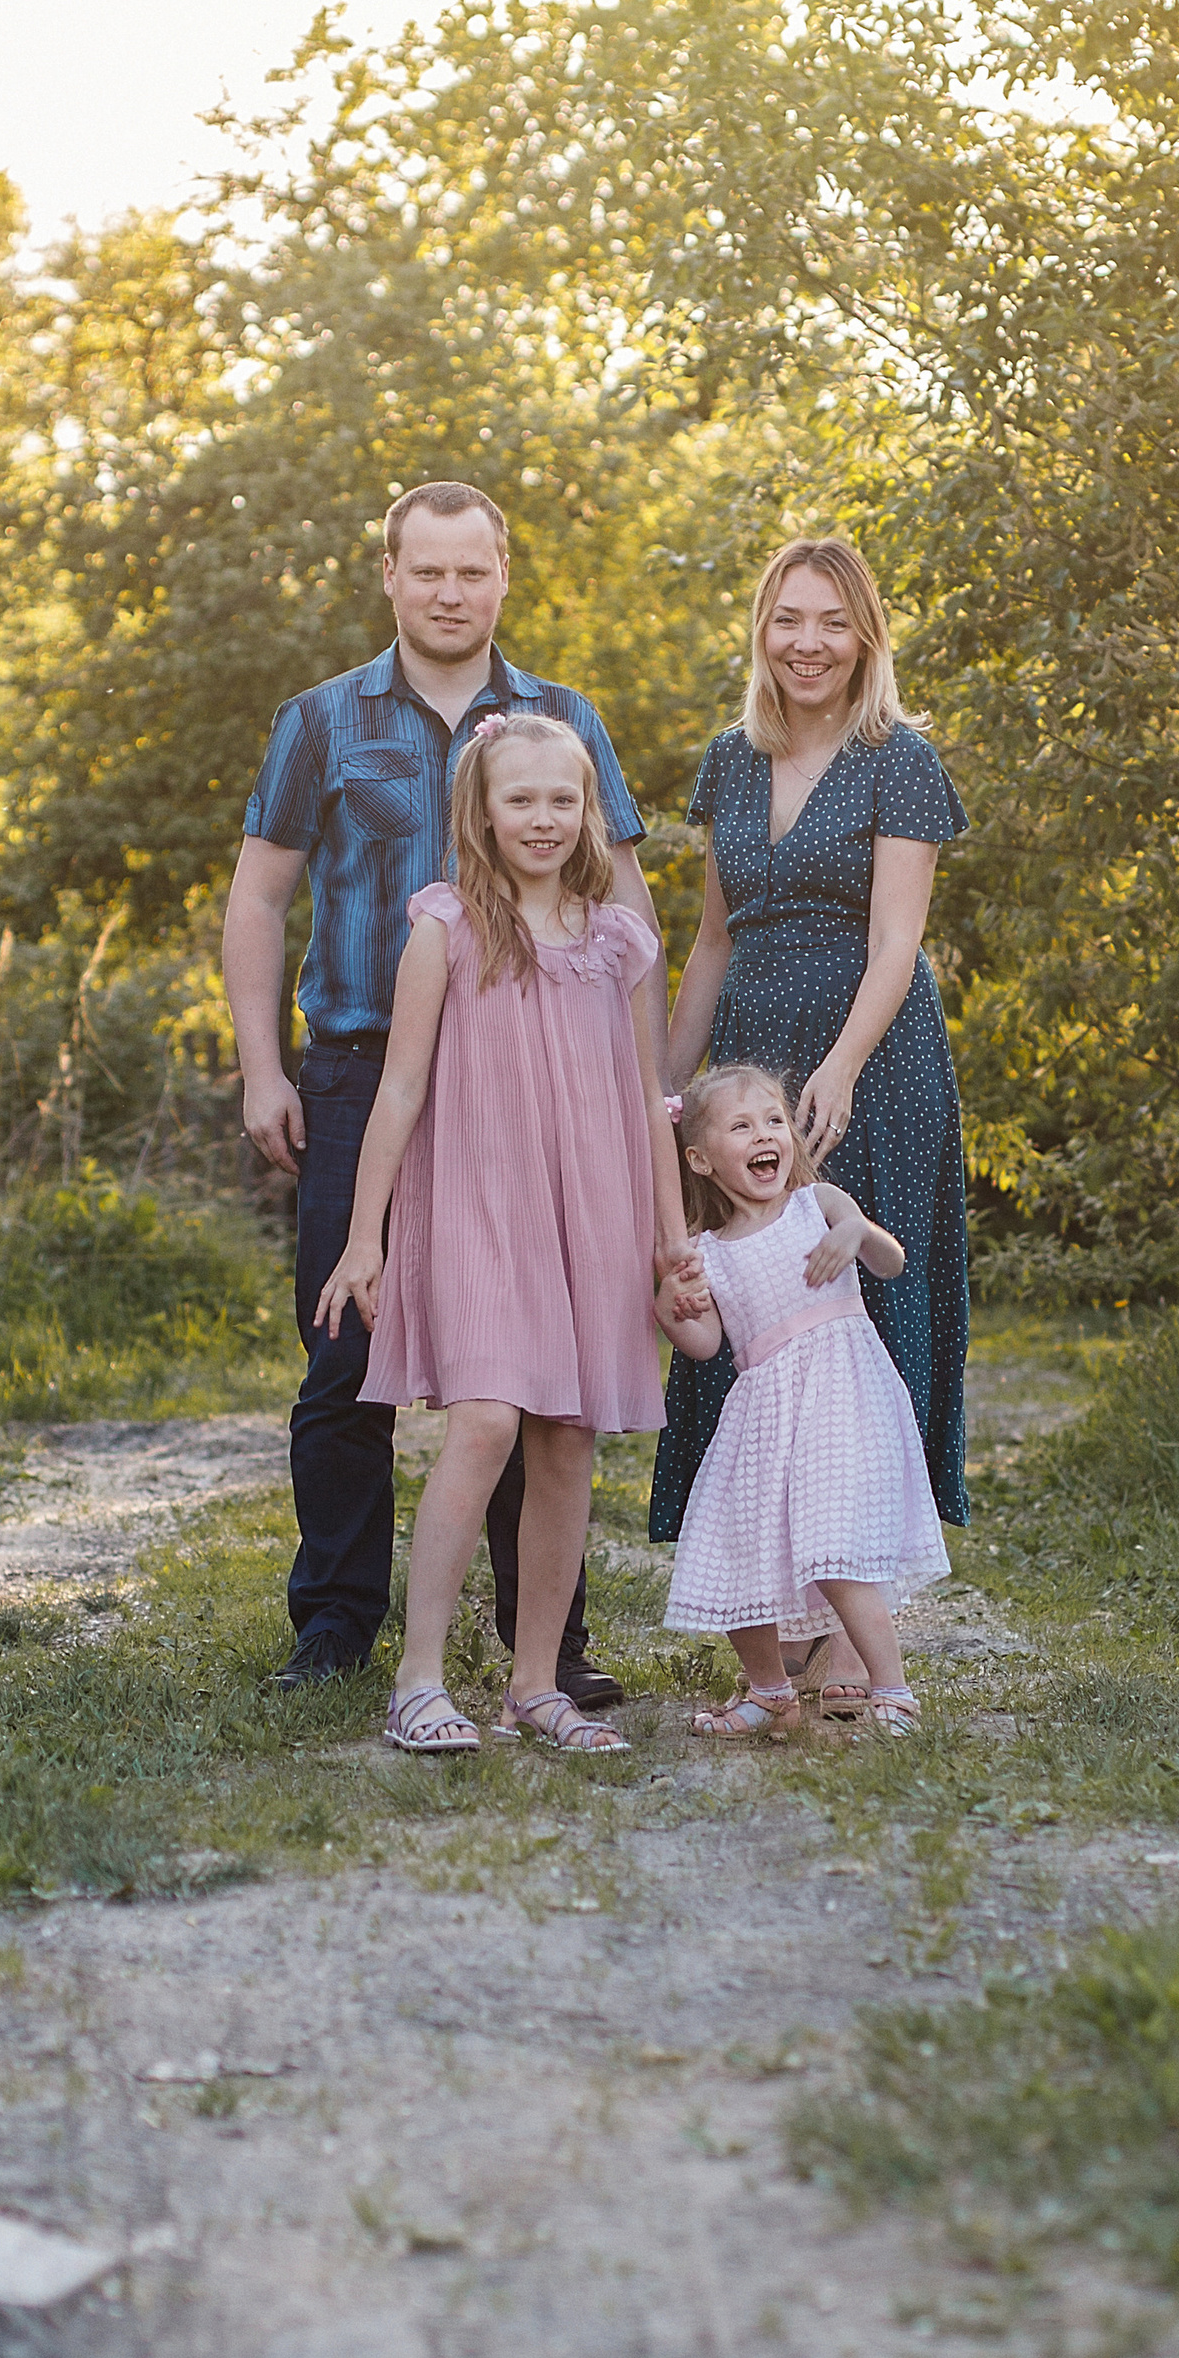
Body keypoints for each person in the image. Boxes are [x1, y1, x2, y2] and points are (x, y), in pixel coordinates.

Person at [224, 480, 665, 1692]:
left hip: (535, 1081)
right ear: (390, 573)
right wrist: (265, 1064)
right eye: (428, 570)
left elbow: (630, 916)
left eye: (472, 571)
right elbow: (259, 898)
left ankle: (546, 1647)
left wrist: (640, 1090)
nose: (450, 592)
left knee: (540, 1359)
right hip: (367, 1071)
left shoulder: (562, 719)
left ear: (503, 576)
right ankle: (334, 1625)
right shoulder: (321, 719)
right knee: (341, 1352)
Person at [315, 712, 680, 1753]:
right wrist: (364, 1237)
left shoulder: (616, 938)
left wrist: (666, 1237)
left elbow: (643, 1096)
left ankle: (534, 1682)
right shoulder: (443, 927)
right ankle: (418, 1678)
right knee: (483, 1421)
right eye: (519, 798)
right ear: (479, 810)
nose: (543, 818)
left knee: (567, 1439)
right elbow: (397, 1091)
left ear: (588, 812)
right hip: (477, 1205)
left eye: (562, 799)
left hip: (593, 1211)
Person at [654, 537, 970, 1707]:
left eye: (831, 621)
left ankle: (857, 1617)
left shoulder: (901, 761)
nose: (806, 642)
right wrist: (661, 1087)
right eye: (787, 619)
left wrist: (836, 1067)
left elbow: (897, 940)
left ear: (865, 635)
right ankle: (767, 1588)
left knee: (865, 1310)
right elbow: (710, 940)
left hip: (868, 1058)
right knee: (748, 1309)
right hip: (745, 1059)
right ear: (761, 630)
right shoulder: (726, 764)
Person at [656, 1064, 948, 1739]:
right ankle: (768, 1690)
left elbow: (891, 1261)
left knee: (833, 1550)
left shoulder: (817, 1204)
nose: (765, 1134)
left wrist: (859, 1233)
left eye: (772, 1120)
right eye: (741, 1125)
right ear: (700, 1159)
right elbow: (702, 1342)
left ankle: (893, 1689)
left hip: (842, 1400)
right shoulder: (708, 1253)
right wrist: (670, 1307)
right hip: (763, 1417)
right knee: (735, 1555)